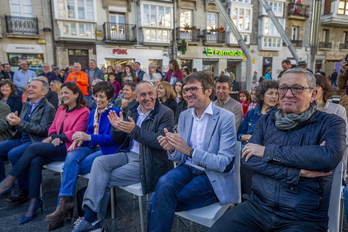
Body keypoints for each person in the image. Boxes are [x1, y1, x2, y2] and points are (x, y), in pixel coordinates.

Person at [209, 68, 346, 232]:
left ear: (314, 94)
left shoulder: (331, 122)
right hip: (257, 207)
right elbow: (249, 159)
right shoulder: (267, 120)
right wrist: (297, 173)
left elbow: (328, 157)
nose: (288, 94)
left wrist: (267, 151)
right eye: (283, 88)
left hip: (303, 217)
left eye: (297, 88)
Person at [73, 81, 174, 231]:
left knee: (102, 180)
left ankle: (91, 219)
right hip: (128, 154)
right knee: (99, 162)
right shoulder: (133, 110)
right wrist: (117, 128)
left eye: (151, 93)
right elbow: (120, 139)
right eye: (143, 95)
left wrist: (134, 130)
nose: (148, 98)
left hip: (149, 162)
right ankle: (92, 219)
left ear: (156, 94)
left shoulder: (165, 112)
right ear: (136, 96)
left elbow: (160, 142)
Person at [148, 71, 238, 232]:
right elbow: (181, 154)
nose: (188, 94)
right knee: (163, 183)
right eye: (185, 90)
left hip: (212, 176)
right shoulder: (185, 115)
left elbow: (224, 163)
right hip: (188, 168)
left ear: (208, 91)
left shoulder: (226, 117)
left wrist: (190, 151)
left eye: (193, 89)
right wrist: (172, 149)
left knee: (157, 199)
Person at [0, 81, 89, 225]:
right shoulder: (61, 109)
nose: (63, 96)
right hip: (55, 144)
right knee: (36, 161)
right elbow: (52, 127)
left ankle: (9, 180)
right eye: (62, 93)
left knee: (34, 148)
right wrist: (53, 136)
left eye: (67, 93)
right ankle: (33, 202)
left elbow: (76, 132)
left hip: (69, 147)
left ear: (76, 95)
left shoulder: (84, 111)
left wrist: (56, 137)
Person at [46, 82, 121, 230]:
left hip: (106, 151)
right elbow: (88, 135)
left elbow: (114, 139)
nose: (98, 99)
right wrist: (79, 141)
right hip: (91, 147)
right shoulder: (93, 112)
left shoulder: (116, 112)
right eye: (96, 96)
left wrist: (89, 138)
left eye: (102, 97)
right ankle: (64, 204)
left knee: (73, 167)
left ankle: (63, 208)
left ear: (110, 98)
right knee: (71, 156)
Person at [0, 78, 56, 205]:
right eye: (29, 86)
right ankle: (5, 186)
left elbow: (43, 131)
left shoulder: (49, 108)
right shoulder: (26, 104)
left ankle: (24, 190)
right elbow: (20, 125)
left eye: (34, 87)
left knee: (14, 153)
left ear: (44, 92)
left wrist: (20, 122)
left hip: (34, 141)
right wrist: (12, 120)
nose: (29, 89)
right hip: (21, 138)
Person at [237, 80, 279, 195]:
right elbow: (239, 134)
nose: (274, 97)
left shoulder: (278, 116)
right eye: (270, 93)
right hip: (247, 154)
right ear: (262, 95)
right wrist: (245, 137)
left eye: (276, 93)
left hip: (265, 156)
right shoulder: (251, 113)